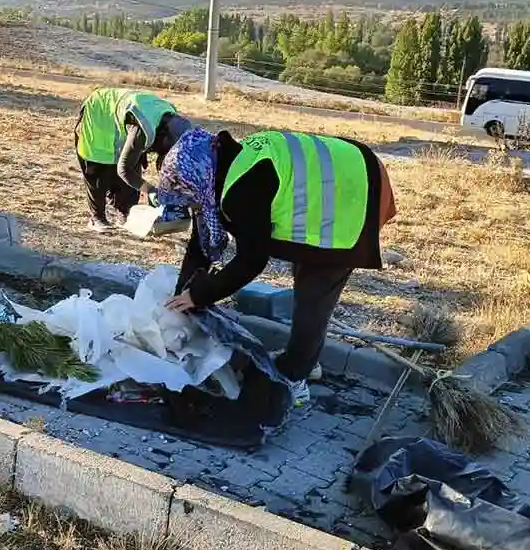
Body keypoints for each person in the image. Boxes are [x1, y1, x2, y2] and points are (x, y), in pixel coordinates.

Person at [155, 127, 397, 430]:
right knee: (307, 278)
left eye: (185, 193)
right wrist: (185, 293)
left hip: (355, 188)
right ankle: (308, 357)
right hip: (340, 175)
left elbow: (251, 261)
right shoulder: (220, 167)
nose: (189, 203)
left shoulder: (243, 188)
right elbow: (199, 246)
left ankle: (296, 379)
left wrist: (200, 295)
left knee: (314, 294)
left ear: (197, 178)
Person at [73, 86, 193, 232]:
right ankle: (97, 218)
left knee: (132, 177)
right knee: (99, 172)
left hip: (126, 119)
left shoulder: (174, 125)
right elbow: (123, 169)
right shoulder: (143, 130)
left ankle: (124, 214)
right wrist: (150, 190)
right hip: (99, 114)